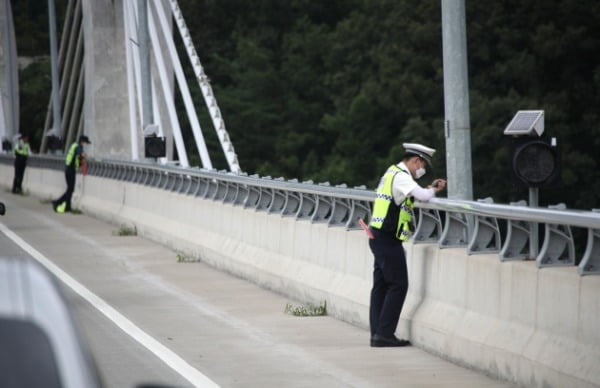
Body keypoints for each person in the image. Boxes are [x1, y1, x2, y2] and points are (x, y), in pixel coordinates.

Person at [368, 142, 446, 347]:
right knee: (398, 285)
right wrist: (434, 190)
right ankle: (384, 334)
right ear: (416, 160)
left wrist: (428, 187)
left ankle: (377, 333)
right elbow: (422, 196)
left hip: (378, 234)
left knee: (381, 285)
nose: (422, 170)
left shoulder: (391, 172)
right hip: (387, 237)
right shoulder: (402, 176)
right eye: (423, 166)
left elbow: (409, 196)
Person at [52, 135, 91, 213]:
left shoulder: (77, 147)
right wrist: (86, 156)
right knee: (70, 189)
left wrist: (82, 162)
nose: (86, 144)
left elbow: (78, 161)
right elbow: (81, 154)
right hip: (70, 170)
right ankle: (58, 203)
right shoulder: (77, 146)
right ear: (82, 141)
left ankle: (65, 205)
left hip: (71, 169)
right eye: (85, 143)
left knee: (70, 189)